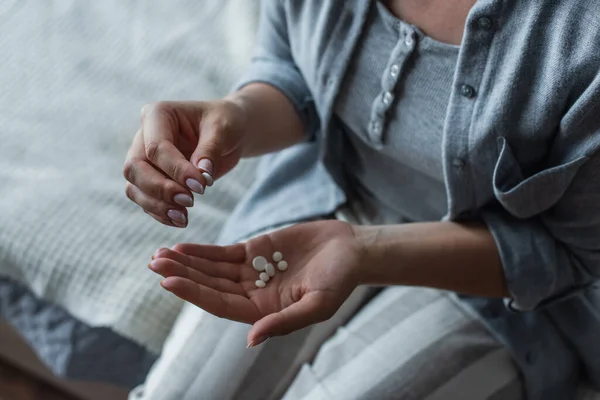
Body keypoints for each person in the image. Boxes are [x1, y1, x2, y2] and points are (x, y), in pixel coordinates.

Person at [123, 1, 600, 399]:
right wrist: (237, 116)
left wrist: (365, 251)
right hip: (331, 196)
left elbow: (572, 253)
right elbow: (292, 65)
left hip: (502, 289)